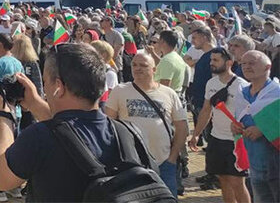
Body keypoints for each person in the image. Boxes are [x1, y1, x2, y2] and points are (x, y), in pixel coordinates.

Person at [0, 43, 158, 201]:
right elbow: (67, 130)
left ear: (58, 87)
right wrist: (34, 103)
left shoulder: (39, 137)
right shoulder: (129, 133)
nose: (45, 90)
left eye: (45, 82)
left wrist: (4, 112)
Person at [105, 51, 188, 197]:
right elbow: (108, 125)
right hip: (132, 163)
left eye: (143, 65)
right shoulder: (120, 91)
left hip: (164, 162)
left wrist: (173, 157)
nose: (137, 68)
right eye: (134, 65)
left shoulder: (169, 93)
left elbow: (182, 127)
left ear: (154, 69)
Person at [188, 48, 250, 203]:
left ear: (229, 63)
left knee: (237, 182)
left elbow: (250, 114)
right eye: (211, 60)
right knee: (223, 180)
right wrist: (196, 134)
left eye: (216, 60)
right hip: (216, 138)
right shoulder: (211, 83)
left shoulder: (242, 86)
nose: (212, 63)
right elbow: (206, 110)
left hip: (236, 141)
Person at [231, 51, 280, 203]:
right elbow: (240, 120)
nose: (246, 67)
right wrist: (235, 127)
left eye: (252, 63)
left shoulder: (277, 93)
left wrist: (263, 129)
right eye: (243, 64)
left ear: (267, 67)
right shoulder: (242, 93)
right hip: (255, 165)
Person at [12, 34, 44, 130]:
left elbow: (38, 84)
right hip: (16, 104)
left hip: (30, 105)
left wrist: (36, 103)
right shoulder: (13, 63)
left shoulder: (32, 63)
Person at [152, 29, 186, 94]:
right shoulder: (178, 58)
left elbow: (164, 86)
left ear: (162, 41)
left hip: (164, 97)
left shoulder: (167, 60)